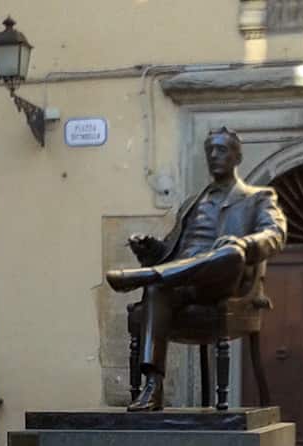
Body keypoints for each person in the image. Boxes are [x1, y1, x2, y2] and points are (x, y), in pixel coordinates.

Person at [106, 128, 287, 411]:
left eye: (222, 150)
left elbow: (275, 235)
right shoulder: (192, 203)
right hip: (182, 281)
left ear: (237, 157)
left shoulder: (257, 198)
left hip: (221, 282)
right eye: (210, 150)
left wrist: (245, 243)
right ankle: (153, 387)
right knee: (158, 287)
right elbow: (169, 252)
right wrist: (149, 248)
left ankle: (147, 277)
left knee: (232, 253)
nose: (214, 155)